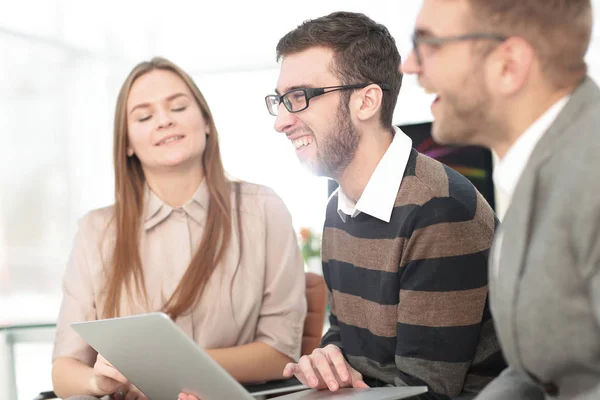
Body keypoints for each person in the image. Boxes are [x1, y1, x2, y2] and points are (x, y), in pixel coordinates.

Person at [266, 11, 506, 400]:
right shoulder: (338, 211)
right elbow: (348, 336)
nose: (281, 121)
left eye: (299, 98)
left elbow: (424, 393)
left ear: (366, 101)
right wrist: (328, 357)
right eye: (280, 100)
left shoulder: (437, 210)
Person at [51, 57, 307, 400]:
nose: (164, 120)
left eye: (178, 107)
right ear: (126, 143)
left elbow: (280, 354)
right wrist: (101, 382)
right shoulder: (96, 232)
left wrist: (159, 373)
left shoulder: (263, 209)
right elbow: (64, 369)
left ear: (205, 121)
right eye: (144, 116)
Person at [402, 1, 600, 399]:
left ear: (508, 65)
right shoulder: (543, 166)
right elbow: (537, 375)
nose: (409, 64)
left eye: (429, 45)